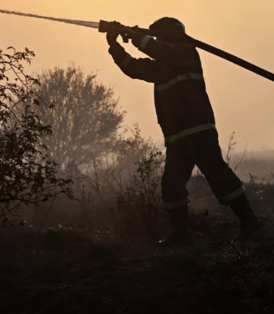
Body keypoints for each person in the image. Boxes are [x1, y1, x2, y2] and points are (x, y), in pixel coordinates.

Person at [105, 18, 262, 245]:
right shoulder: (162, 65)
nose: (158, 40)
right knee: (171, 184)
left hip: (199, 130)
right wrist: (114, 45)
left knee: (219, 176)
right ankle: (180, 235)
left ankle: (251, 223)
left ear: (171, 35)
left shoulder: (186, 52)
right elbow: (133, 68)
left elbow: (160, 50)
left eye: (160, 35)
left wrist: (136, 36)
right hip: (177, 137)